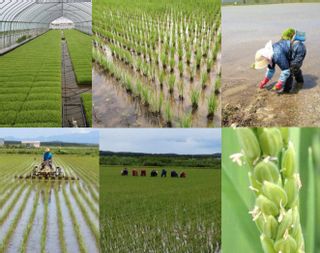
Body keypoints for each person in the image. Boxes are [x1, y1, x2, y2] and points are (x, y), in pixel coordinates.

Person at [255, 29, 306, 93]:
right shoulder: (269, 55)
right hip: (290, 51)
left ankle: (286, 91)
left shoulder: (276, 55)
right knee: (293, 68)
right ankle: (300, 82)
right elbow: (271, 70)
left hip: (299, 49)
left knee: (291, 70)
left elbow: (286, 71)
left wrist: (279, 83)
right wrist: (264, 81)